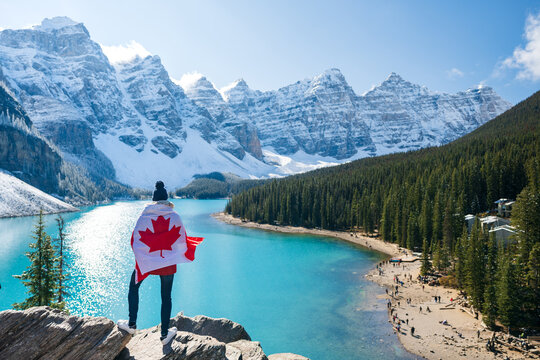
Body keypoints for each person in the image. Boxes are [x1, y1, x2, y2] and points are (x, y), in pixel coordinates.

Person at [118, 181, 203, 345]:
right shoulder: (175, 216)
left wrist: (142, 257)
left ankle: (131, 324)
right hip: (168, 263)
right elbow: (182, 240)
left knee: (133, 287)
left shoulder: (144, 216)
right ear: (166, 200)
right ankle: (164, 334)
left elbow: (134, 240)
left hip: (147, 261)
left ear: (154, 200)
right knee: (166, 297)